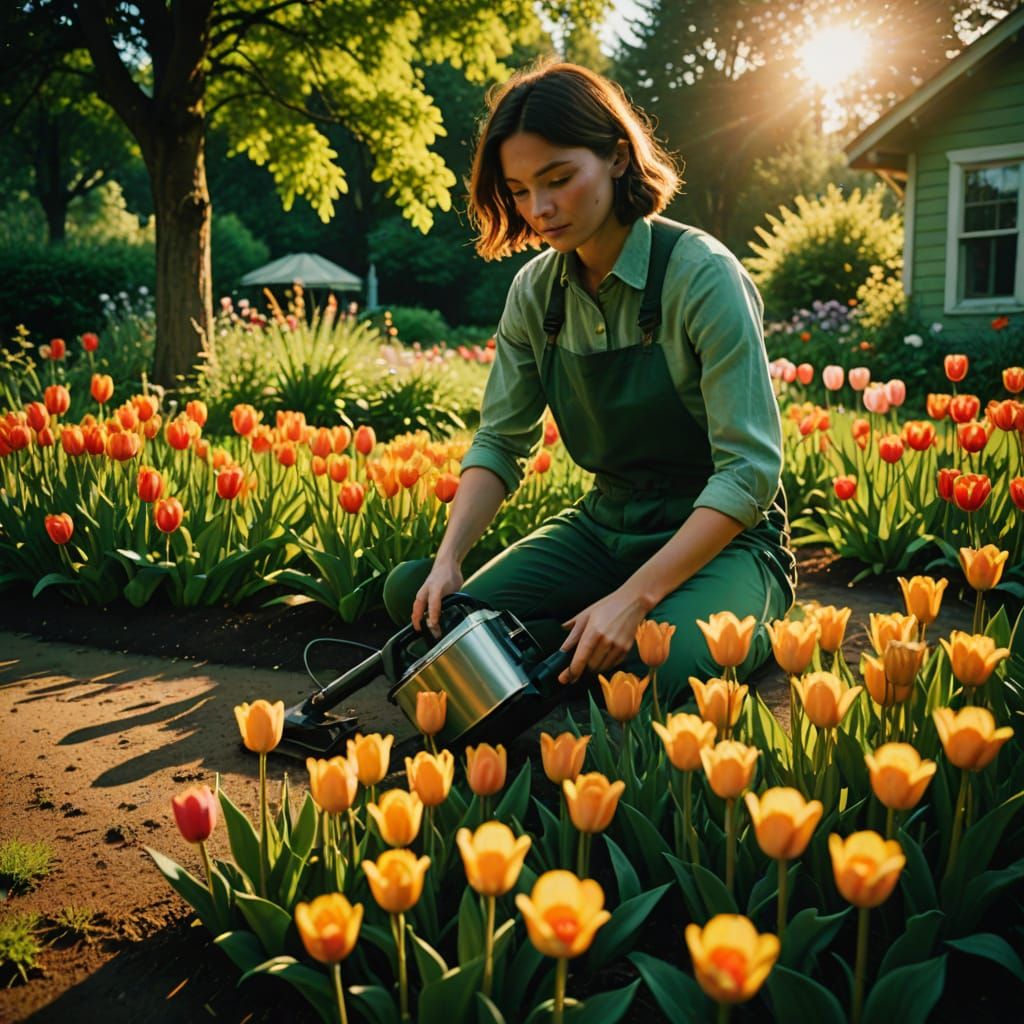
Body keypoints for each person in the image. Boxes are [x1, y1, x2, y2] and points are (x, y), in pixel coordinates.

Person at [383, 60, 795, 710]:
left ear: (618, 158)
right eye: (518, 190)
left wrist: (634, 597)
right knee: (427, 604)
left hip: (724, 542)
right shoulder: (535, 292)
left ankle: (736, 616)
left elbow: (748, 473)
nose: (539, 210)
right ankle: (570, 635)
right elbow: (499, 442)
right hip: (604, 530)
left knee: (644, 669)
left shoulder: (701, 276)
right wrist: (448, 558)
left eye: (559, 179)